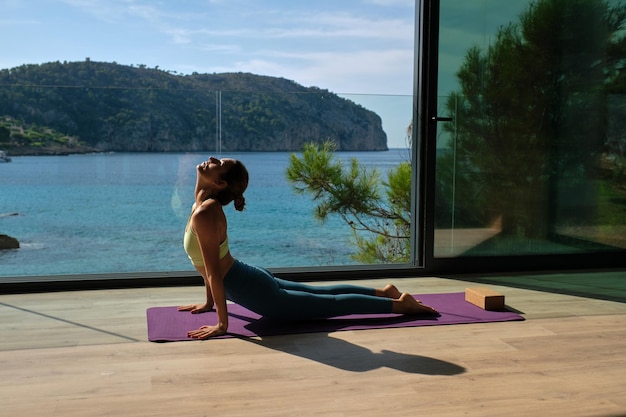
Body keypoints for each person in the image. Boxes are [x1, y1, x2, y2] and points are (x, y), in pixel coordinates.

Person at [178, 156, 438, 339]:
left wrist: (222, 324)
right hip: (247, 280)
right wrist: (208, 303)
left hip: (254, 290)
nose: (211, 158)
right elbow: (209, 266)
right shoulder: (202, 207)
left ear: (220, 183)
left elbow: (212, 271)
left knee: (333, 305)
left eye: (218, 163)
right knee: (323, 295)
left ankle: (401, 305)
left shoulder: (205, 212)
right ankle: (384, 292)